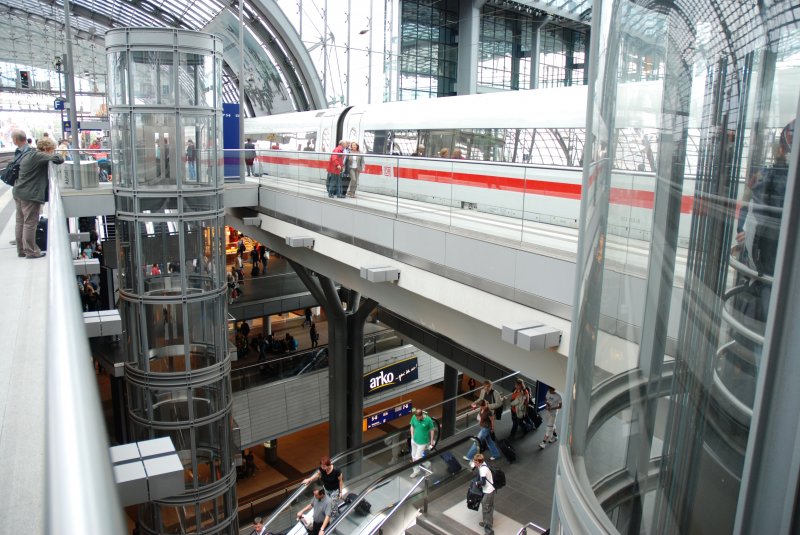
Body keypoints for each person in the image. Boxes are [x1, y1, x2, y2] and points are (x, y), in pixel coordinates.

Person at [14, 134, 64, 259]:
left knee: (20, 222)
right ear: (47, 149)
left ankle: (22, 250)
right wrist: (55, 154)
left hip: (19, 191)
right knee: (30, 223)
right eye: (52, 149)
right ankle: (31, 251)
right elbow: (59, 159)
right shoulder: (40, 155)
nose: (53, 151)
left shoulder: (31, 154)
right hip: (30, 194)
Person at [472, 453, 496, 535]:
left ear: (478, 462)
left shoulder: (482, 470)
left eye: (475, 462)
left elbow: (483, 482)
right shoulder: (484, 464)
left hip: (488, 491)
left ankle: (488, 531)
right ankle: (488, 523)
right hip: (491, 490)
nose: (474, 463)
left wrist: (476, 483)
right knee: (490, 507)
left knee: (486, 509)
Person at [409, 408, 435, 477]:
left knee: (418, 458)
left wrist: (432, 442)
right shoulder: (414, 417)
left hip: (423, 442)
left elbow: (432, 430)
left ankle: (427, 465)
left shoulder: (428, 420)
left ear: (421, 415)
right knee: (414, 457)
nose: (417, 419)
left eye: (418, 417)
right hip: (414, 440)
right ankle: (416, 471)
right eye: (416, 417)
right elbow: (412, 426)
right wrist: (412, 436)